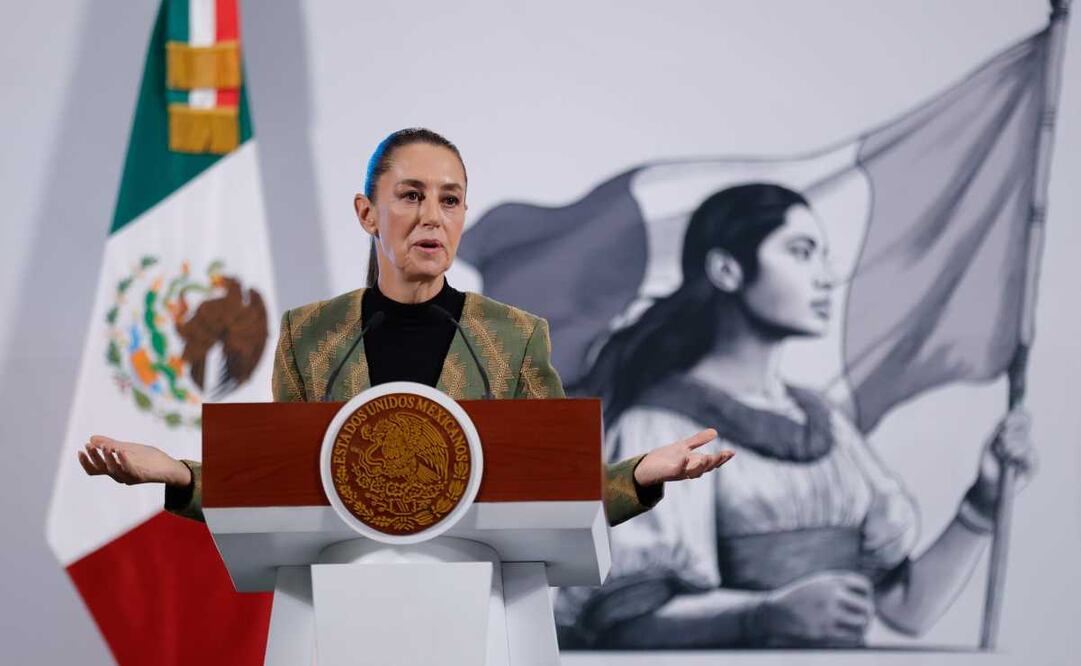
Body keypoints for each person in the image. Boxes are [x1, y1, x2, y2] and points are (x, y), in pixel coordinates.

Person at [78, 127, 734, 528]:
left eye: (450, 200)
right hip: (344, 601)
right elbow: (278, 487)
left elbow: (559, 490)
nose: (432, 216)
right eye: (411, 195)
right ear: (367, 213)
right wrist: (180, 475)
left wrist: (639, 475)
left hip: (476, 602)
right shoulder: (310, 335)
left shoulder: (514, 337)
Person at [555, 183, 1036, 648]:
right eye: (801, 252)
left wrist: (983, 501)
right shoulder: (661, 427)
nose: (826, 277)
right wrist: (764, 615)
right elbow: (625, 620)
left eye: (823, 256)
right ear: (727, 270)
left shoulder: (827, 425)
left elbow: (906, 609)